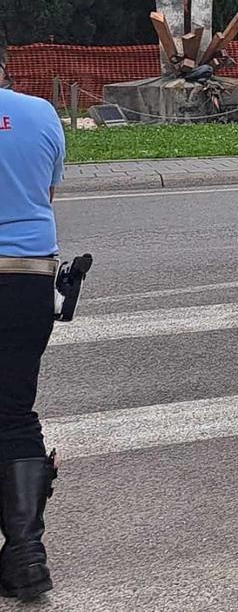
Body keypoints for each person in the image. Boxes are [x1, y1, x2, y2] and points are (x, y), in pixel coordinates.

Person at [0, 41, 65, 601]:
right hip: (28, 278)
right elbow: (45, 193)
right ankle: (25, 556)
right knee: (14, 411)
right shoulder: (41, 112)